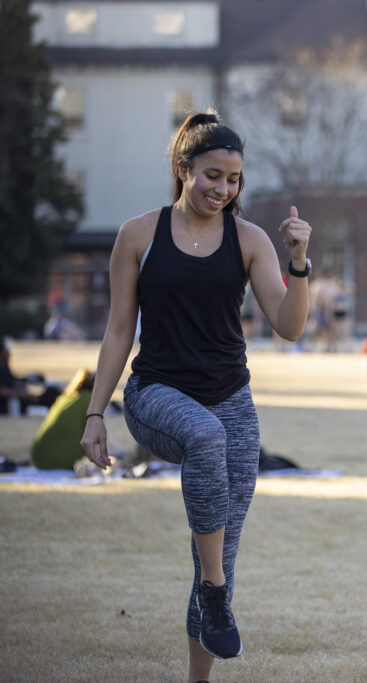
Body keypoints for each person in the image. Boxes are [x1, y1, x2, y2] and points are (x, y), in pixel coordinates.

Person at [78, 111, 312, 683]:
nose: (222, 190)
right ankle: (214, 590)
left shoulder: (250, 239)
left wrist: (299, 263)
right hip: (156, 394)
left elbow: (289, 326)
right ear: (184, 170)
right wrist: (94, 413)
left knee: (219, 553)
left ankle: (201, 661)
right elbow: (117, 330)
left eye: (233, 180)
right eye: (212, 176)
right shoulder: (139, 234)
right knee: (207, 442)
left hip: (231, 396)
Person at [31, 368, 101, 469]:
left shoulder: (65, 398)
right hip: (61, 460)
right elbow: (95, 440)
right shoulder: (91, 402)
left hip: (38, 458)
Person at [0, 337, 62, 415]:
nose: (9, 353)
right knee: (50, 396)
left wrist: (28, 380)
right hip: (9, 403)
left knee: (52, 392)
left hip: (20, 398)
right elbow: (2, 390)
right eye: (7, 350)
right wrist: (23, 395)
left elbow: (13, 380)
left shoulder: (5, 366)